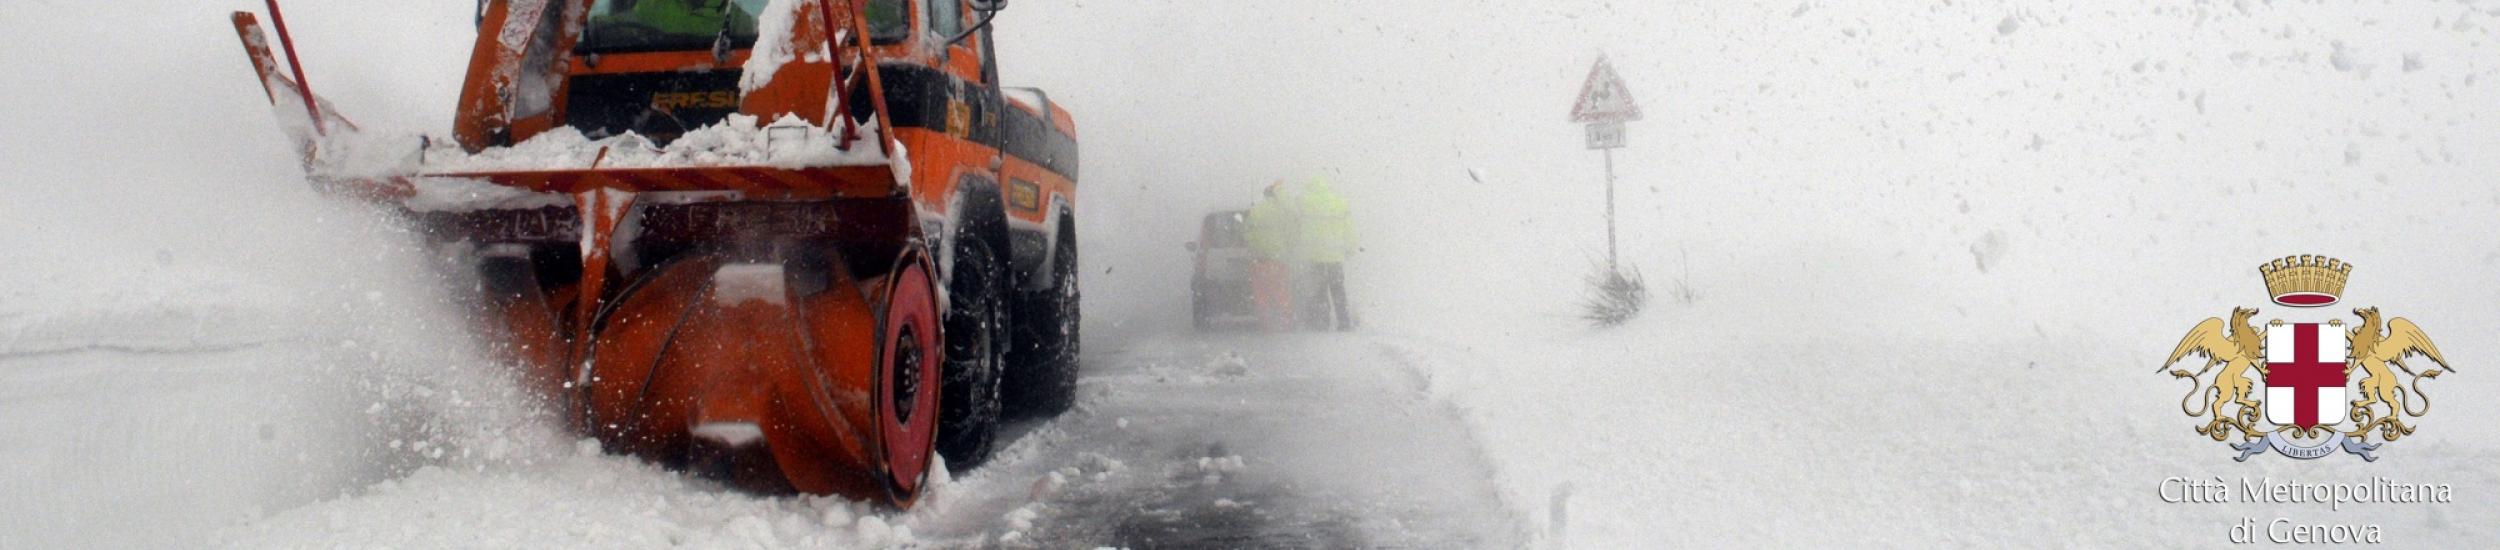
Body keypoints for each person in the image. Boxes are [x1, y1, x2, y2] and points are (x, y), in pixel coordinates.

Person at [1296, 176, 1356, 331]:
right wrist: (1350, 248)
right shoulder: (1339, 202)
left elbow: (1297, 220)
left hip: (1316, 256)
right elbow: (1348, 228)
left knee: (1320, 291)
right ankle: (1344, 322)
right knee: (1338, 290)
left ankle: (1323, 322)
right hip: (1335, 256)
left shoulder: (1306, 202)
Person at [1244, 181, 1299, 332]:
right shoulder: (1281, 211)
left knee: (1261, 295)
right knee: (1282, 293)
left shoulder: (1255, 211)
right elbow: (1291, 232)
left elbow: (1247, 235)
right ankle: (1285, 324)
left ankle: (1266, 326)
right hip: (1279, 259)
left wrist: (1255, 248)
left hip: (1259, 260)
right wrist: (1288, 248)